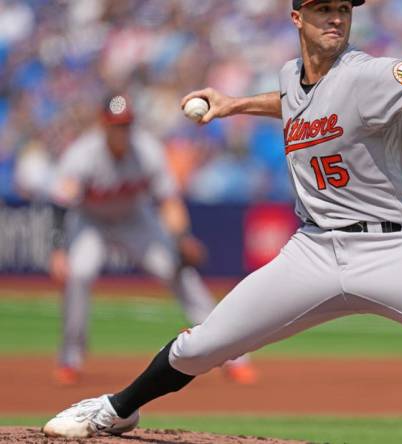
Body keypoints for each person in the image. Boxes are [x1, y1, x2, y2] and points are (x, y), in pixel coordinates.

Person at [43, 2, 402, 443]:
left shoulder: (370, 73)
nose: (336, 17)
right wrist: (235, 103)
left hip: (394, 249)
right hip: (313, 252)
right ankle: (116, 410)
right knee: (202, 345)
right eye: (323, 8)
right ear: (298, 17)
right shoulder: (294, 75)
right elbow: (295, 102)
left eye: (343, 9)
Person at [46, 93, 257, 385]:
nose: (122, 131)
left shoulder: (146, 150)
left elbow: (168, 200)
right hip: (91, 221)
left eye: (126, 125)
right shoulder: (83, 154)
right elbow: (61, 202)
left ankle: (233, 356)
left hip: (135, 219)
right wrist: (58, 250)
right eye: (116, 125)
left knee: (177, 270)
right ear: (103, 125)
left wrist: (182, 237)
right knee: (79, 273)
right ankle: (70, 358)